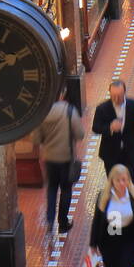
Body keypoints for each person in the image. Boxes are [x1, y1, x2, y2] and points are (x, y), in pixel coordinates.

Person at [32, 88, 83, 236]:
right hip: (66, 157)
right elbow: (80, 134)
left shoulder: (42, 114)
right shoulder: (69, 111)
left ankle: (49, 221)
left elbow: (36, 139)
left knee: (52, 189)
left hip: (49, 158)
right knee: (66, 189)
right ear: (61, 95)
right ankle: (63, 223)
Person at [89, 164, 134, 267]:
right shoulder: (103, 196)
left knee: (126, 265)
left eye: (124, 179)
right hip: (109, 240)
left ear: (128, 180)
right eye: (118, 180)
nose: (121, 183)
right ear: (112, 181)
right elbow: (97, 220)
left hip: (129, 238)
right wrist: (93, 244)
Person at [92, 80, 134, 177]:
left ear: (124, 93)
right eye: (113, 96)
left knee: (130, 183)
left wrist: (133, 144)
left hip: (129, 153)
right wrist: (110, 127)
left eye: (119, 96)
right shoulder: (102, 108)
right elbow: (96, 128)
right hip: (110, 154)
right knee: (113, 184)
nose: (115, 99)